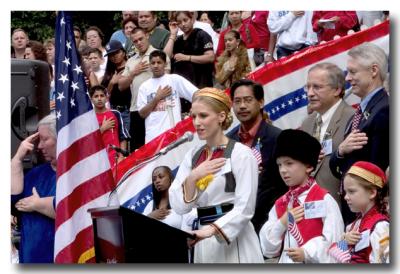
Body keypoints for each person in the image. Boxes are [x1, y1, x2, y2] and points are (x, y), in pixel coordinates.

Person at [169, 87, 264, 263]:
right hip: (201, 236)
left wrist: (211, 230)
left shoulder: (241, 153)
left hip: (233, 238)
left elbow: (246, 207)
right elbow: (179, 207)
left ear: (221, 116)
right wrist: (192, 178)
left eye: (203, 116)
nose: (196, 122)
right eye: (193, 116)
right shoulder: (192, 156)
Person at [259, 129, 343, 263]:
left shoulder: (323, 200)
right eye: (279, 165)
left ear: (308, 166)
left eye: (289, 163)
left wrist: (307, 252)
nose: (283, 170)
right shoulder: (281, 203)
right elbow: (268, 250)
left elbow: (336, 244)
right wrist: (282, 223)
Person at [227, 79, 287, 233]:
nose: (242, 106)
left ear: (260, 102)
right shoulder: (228, 141)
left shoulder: (277, 137)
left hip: (271, 224)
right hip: (237, 226)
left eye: (248, 100)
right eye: (237, 101)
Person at [330, 43, 389, 182]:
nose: (347, 78)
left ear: (374, 70)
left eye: (353, 71)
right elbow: (337, 169)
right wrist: (340, 151)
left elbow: (377, 174)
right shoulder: (357, 115)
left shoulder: (385, 110)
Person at [301, 63, 355, 208]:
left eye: (317, 87)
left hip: (343, 208)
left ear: (337, 89)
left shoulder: (352, 118)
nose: (310, 93)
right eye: (308, 87)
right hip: (310, 210)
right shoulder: (307, 123)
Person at [11, 114, 57, 263]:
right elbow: (13, 202)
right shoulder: (35, 174)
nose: (39, 146)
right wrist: (17, 159)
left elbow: (69, 210)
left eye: (45, 139)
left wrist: (38, 204)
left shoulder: (76, 175)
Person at [119, 27, 171, 151]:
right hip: (136, 109)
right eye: (135, 41)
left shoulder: (159, 56)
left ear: (147, 35)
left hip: (157, 108)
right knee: (137, 151)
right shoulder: (131, 61)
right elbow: (121, 86)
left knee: (158, 148)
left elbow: (167, 79)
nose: (138, 43)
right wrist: (133, 73)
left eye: (141, 39)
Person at [137, 50, 197, 143]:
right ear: (149, 65)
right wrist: (157, 98)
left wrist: (195, 109)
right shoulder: (144, 87)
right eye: (153, 63)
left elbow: (195, 94)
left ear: (165, 64)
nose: (156, 65)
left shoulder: (174, 79)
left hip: (174, 134)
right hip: (153, 138)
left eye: (159, 62)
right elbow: (142, 114)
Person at [340, 161, 389, 263]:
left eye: (351, 191)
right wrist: (344, 242)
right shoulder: (354, 225)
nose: (346, 197)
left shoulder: (381, 227)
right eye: (345, 192)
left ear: (372, 193)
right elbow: (336, 255)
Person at [89, 85, 130, 167]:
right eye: (96, 96)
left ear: (106, 98)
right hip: (97, 161)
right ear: (91, 99)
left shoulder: (115, 113)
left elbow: (123, 137)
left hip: (116, 158)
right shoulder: (89, 117)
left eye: (102, 95)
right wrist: (102, 129)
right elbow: (88, 142)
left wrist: (121, 156)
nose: (99, 99)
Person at [101, 40, 131, 136]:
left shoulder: (131, 66)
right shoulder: (109, 71)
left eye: (117, 52)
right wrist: (112, 83)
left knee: (127, 140)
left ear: (123, 52)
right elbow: (104, 95)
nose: (114, 56)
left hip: (129, 110)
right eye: (111, 55)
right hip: (113, 111)